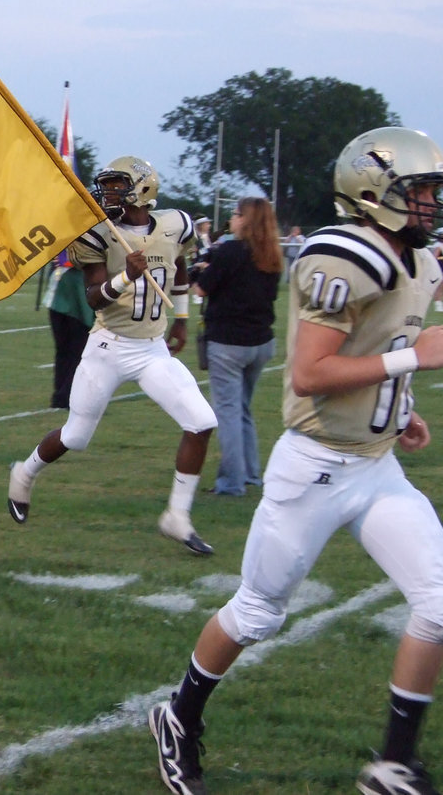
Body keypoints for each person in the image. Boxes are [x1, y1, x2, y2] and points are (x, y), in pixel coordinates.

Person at [147, 127, 443, 795]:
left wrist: (400, 405)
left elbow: (390, 339)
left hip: (375, 466)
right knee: (258, 614)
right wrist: (411, 361)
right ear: (374, 192)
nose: (429, 201)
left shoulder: (419, 260)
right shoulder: (342, 255)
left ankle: (395, 765)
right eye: (419, 188)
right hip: (313, 470)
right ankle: (178, 714)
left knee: (439, 601)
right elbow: (310, 374)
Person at [6, 155, 218, 555]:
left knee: (202, 422)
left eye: (118, 185)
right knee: (76, 436)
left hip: (152, 349)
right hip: (108, 347)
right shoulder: (98, 233)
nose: (108, 193)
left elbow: (182, 268)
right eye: (108, 185)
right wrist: (127, 277)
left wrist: (182, 320)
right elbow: (93, 298)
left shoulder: (176, 225)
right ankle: (24, 471)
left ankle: (177, 515)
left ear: (143, 187)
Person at [193, 196, 283, 498]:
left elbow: (202, 288)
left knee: (228, 412)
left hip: (229, 342)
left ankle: (232, 482)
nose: (231, 219)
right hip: (261, 341)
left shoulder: (231, 250)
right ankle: (251, 473)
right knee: (242, 409)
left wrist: (201, 270)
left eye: (235, 214)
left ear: (246, 219)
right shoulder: (272, 255)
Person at [43, 251, 94, 410]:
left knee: (66, 351)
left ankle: (61, 396)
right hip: (73, 295)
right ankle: (66, 396)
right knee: (74, 351)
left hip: (60, 294)